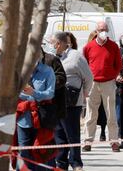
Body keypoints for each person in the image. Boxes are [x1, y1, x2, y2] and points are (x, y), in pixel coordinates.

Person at [48, 32, 93, 171]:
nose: (50, 46)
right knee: (59, 134)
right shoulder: (53, 57)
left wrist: (85, 93)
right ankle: (61, 163)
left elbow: (88, 77)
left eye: (52, 43)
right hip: (56, 102)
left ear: (59, 44)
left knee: (72, 134)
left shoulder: (76, 56)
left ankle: (76, 163)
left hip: (72, 102)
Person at [83, 22, 122, 152]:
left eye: (105, 29)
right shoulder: (88, 47)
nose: (103, 31)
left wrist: (112, 76)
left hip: (108, 83)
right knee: (91, 114)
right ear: (96, 31)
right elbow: (84, 65)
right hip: (92, 83)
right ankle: (88, 141)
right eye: (101, 29)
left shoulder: (114, 46)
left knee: (111, 114)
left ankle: (114, 141)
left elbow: (118, 65)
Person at [16, 51, 56, 170]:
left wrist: (34, 93)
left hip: (42, 118)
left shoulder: (47, 71)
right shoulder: (19, 72)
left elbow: (50, 94)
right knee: (23, 152)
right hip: (23, 119)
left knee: (41, 151)